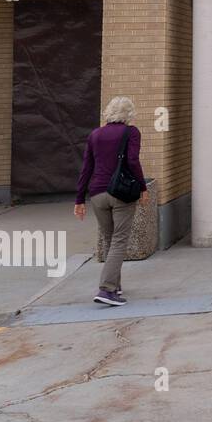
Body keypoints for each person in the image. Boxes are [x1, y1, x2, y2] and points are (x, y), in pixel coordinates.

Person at [74, 96, 149, 306]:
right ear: (129, 114)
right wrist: (143, 187)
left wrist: (79, 199)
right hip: (120, 192)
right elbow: (133, 161)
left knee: (110, 240)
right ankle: (106, 290)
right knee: (119, 241)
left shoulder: (95, 135)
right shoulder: (131, 132)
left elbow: (86, 168)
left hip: (97, 194)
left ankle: (115, 286)